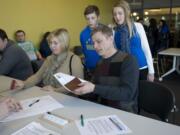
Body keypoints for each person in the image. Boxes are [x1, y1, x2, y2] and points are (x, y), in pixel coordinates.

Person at [73, 25, 139, 113]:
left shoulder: (128, 60)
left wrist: (94, 88)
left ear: (111, 39)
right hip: (101, 109)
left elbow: (127, 93)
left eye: (99, 41)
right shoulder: (100, 62)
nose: (95, 46)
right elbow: (94, 90)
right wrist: (81, 90)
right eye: (93, 43)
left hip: (123, 111)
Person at [14, 28, 84, 93]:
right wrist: (24, 84)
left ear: (64, 44)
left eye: (55, 43)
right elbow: (37, 76)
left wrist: (55, 90)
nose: (51, 46)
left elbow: (77, 84)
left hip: (68, 99)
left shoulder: (74, 59)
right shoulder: (49, 59)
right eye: (50, 43)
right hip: (50, 96)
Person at [113, 0, 155, 81]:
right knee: (129, 93)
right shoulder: (114, 31)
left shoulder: (137, 26)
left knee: (143, 93)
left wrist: (151, 71)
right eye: (115, 14)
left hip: (141, 67)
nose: (117, 17)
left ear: (126, 13)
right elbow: (117, 53)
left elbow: (146, 49)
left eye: (120, 13)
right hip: (125, 69)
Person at [80, 5, 103, 78]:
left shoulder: (105, 31)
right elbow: (84, 50)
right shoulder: (83, 34)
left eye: (93, 18)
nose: (90, 21)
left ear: (98, 17)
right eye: (87, 19)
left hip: (104, 67)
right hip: (89, 69)